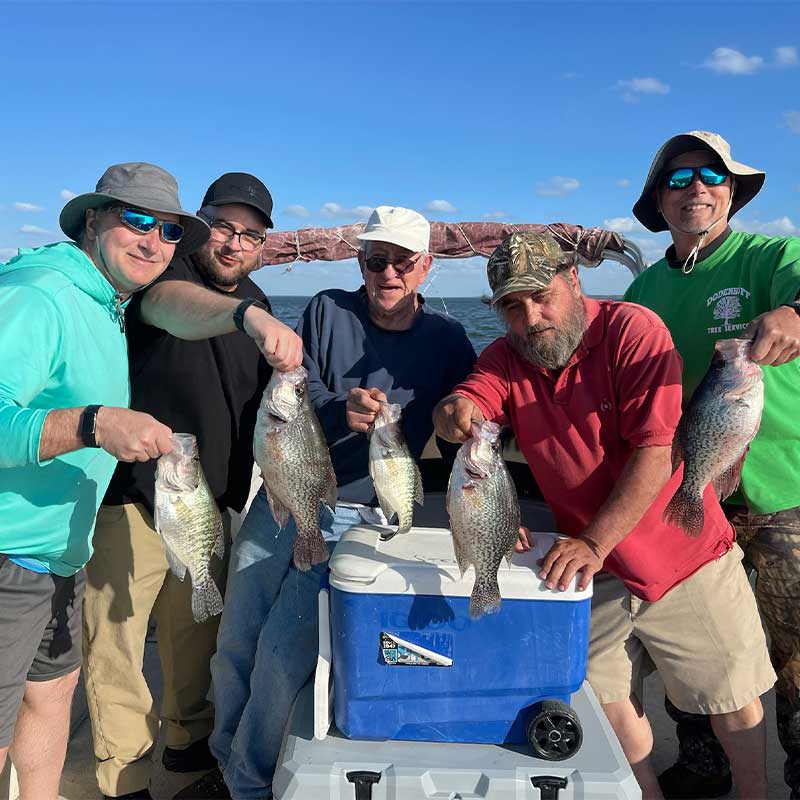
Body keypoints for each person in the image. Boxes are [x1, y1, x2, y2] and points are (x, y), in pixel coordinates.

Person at [434, 231, 776, 800]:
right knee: (607, 703)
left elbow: (657, 450)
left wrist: (593, 542)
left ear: (574, 281)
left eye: (542, 295)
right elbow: (470, 398)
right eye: (512, 307)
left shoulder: (633, 330)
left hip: (682, 551)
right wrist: (454, 413)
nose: (532, 316)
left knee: (733, 699)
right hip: (590, 570)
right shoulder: (504, 355)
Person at [177, 205, 476, 800]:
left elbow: (467, 412)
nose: (387, 273)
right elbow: (297, 384)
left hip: (361, 514)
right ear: (360, 262)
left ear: (426, 267)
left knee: (286, 651)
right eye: (375, 260)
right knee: (238, 634)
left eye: (402, 261)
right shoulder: (325, 308)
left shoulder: (450, 339)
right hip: (285, 494)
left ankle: (248, 782)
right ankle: (225, 757)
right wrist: (343, 407)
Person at [81, 172, 302, 800]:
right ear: (200, 225)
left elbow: (268, 409)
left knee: (197, 632)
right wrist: (246, 318)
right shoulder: (163, 276)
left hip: (212, 504)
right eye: (225, 228)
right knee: (117, 640)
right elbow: (174, 312)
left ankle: (186, 755)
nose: (235, 244)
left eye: (252, 235)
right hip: (133, 493)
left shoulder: (256, 297)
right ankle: (122, 778)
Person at [0, 163, 209, 800]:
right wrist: (93, 423)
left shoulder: (105, 302)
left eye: (170, 230)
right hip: (7, 555)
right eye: (136, 220)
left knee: (51, 696)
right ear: (93, 220)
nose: (153, 240)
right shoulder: (39, 292)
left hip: (59, 554)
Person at [624, 130, 800, 800]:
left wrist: (793, 312)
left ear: (733, 191)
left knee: (792, 647)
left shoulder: (773, 256)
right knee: (688, 641)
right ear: (658, 202)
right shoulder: (645, 286)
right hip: (686, 490)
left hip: (781, 489)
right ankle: (702, 761)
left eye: (712, 175)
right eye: (678, 179)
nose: (697, 187)